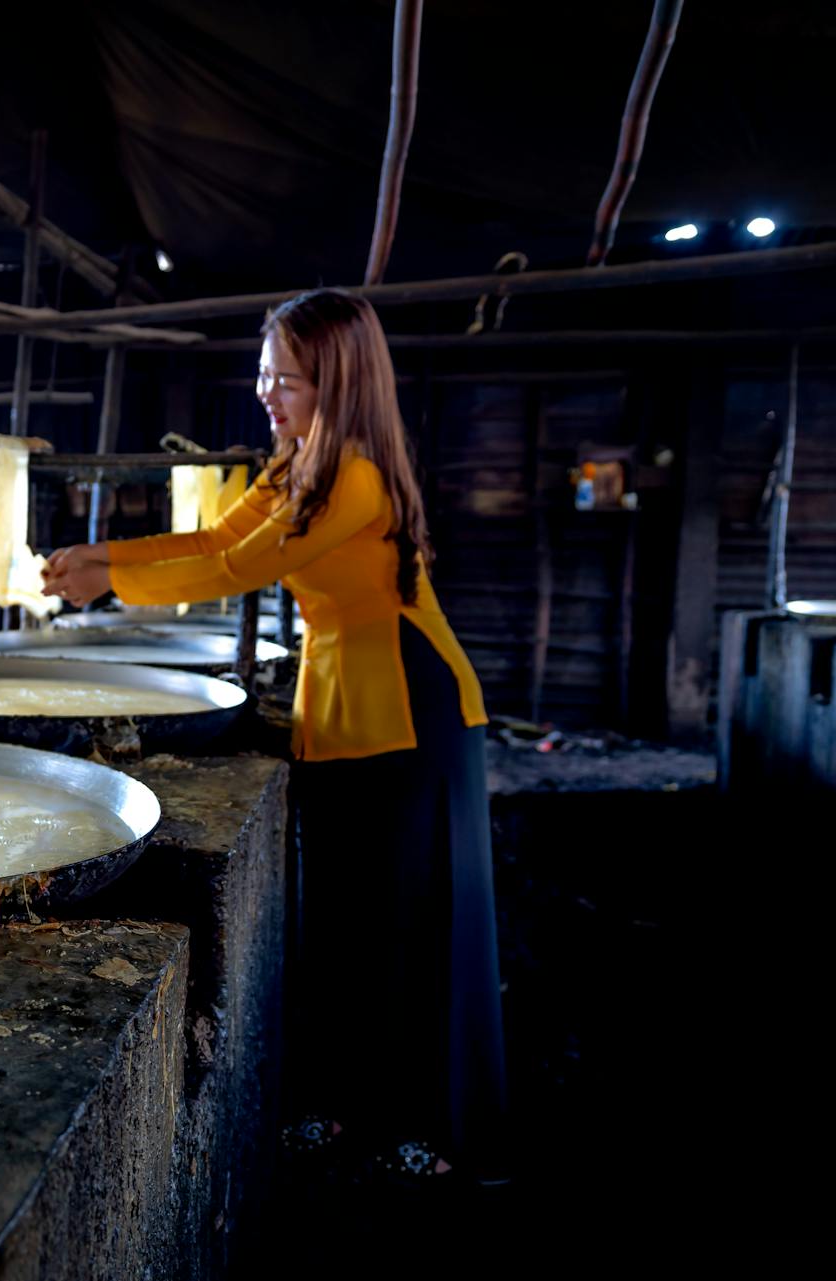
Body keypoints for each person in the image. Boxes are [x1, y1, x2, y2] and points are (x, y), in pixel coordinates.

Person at [42, 289, 506, 1182]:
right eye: (263, 374)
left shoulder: (356, 479)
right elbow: (218, 533)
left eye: (283, 378)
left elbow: (234, 568)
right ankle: (340, 1105)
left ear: (335, 381)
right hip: (335, 710)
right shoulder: (295, 465)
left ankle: (428, 1125)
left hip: (412, 709)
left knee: (410, 920)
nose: (266, 393)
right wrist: (102, 556)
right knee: (340, 920)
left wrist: (109, 581)